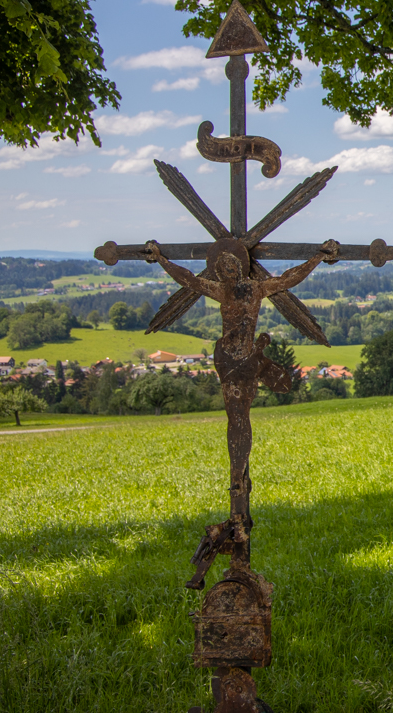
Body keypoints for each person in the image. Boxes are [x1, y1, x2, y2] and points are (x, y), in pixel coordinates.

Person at [142, 238, 337, 573]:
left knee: (241, 419)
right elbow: (187, 279)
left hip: (247, 360)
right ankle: (237, 476)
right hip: (226, 361)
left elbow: (289, 279)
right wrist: (160, 258)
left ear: (240, 265)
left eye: (231, 264)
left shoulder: (255, 289)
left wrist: (318, 257)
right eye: (221, 266)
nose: (227, 268)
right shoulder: (221, 291)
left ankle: (238, 476)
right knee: (234, 419)